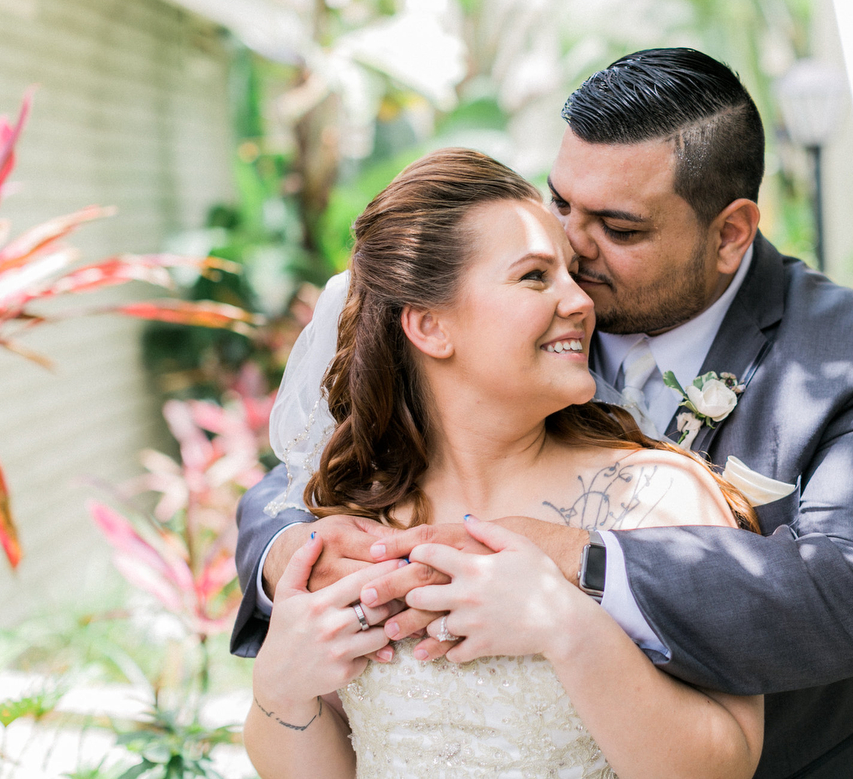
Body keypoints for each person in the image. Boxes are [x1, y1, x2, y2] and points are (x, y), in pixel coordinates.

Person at [234, 47, 853, 779]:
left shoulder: (852, 360)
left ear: (730, 233)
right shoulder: (517, 333)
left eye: (620, 228)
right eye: (562, 204)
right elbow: (296, 482)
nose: (572, 247)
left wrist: (573, 560)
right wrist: (295, 560)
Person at [242, 148, 765, 778]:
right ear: (431, 326)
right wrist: (279, 690)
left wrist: (565, 625)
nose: (581, 302)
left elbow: (727, 767)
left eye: (571, 274)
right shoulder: (354, 531)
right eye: (536, 277)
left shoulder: (659, 497)